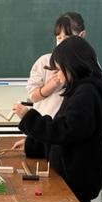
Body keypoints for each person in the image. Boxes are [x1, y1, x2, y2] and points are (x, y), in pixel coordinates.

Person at [12, 36, 102, 202]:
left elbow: (64, 131)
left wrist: (28, 117)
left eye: (60, 69)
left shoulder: (86, 93)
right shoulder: (81, 89)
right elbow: (66, 134)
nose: (57, 75)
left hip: (76, 181)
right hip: (71, 177)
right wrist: (31, 145)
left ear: (72, 66)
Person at [13, 12, 87, 156]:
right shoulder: (45, 61)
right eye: (59, 38)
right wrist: (52, 85)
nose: (62, 42)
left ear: (82, 35)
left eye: (67, 37)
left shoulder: (87, 66)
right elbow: (33, 96)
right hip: (44, 128)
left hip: (66, 134)